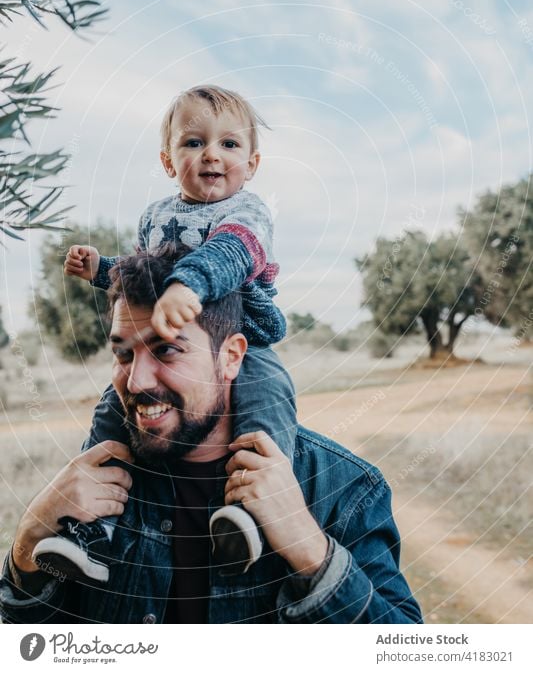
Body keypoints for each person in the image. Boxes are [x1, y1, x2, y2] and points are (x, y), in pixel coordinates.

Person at [0, 247, 422, 624]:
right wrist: (28, 543)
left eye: (166, 349)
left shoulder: (344, 490)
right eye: (123, 353)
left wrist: (310, 550)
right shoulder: (91, 486)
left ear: (232, 357)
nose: (135, 381)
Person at [34, 85, 296, 582]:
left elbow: (233, 251)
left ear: (253, 162)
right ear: (168, 160)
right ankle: (92, 530)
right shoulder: (155, 215)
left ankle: (255, 511)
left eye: (230, 145)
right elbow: (142, 275)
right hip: (168, 335)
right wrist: (102, 269)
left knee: (266, 405)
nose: (212, 154)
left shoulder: (249, 212)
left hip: (246, 335)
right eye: (193, 143)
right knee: (112, 414)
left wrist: (189, 284)